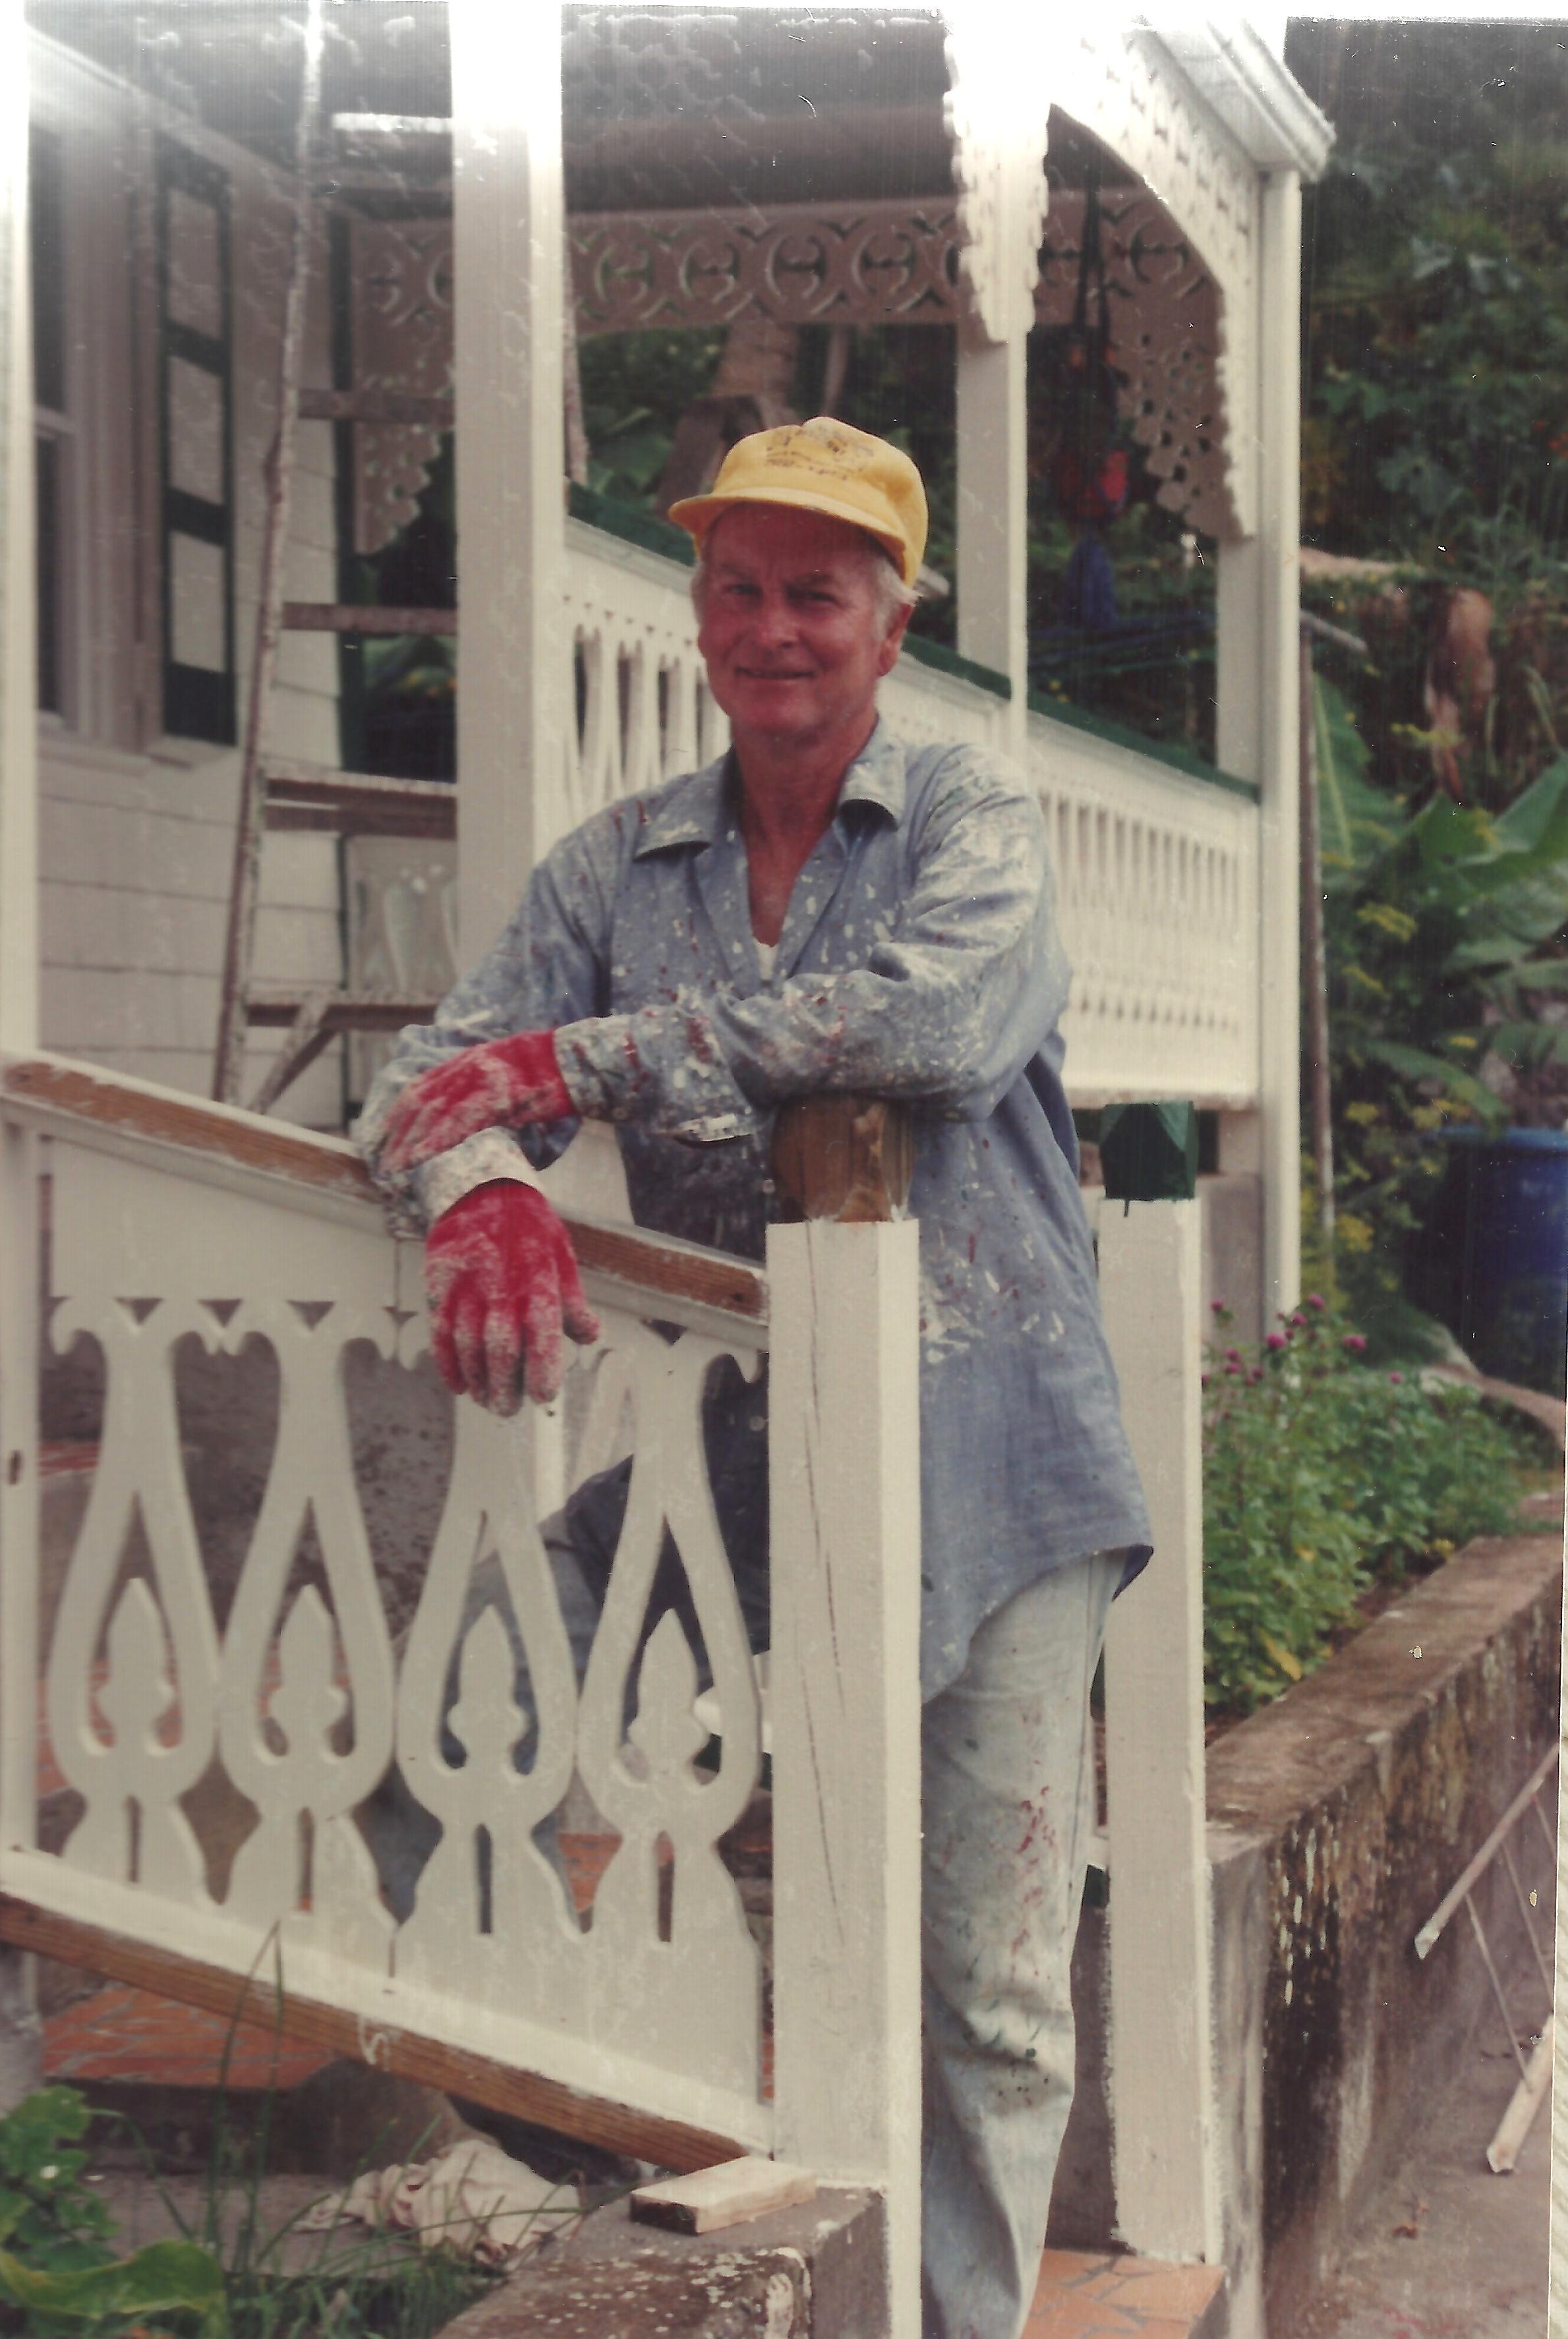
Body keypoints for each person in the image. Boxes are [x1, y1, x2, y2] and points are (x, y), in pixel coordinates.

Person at [356, 417, 1151, 2339]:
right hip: (741, 1451)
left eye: (817, 593)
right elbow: (424, 1083)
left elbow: (937, 1029)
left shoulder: (967, 816)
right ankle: (655, 2150)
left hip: (994, 1454)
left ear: (892, 628)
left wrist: (583, 1067)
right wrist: (483, 1188)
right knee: (434, 1754)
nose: (772, 627)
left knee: (989, 1993)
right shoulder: (619, 866)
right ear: (700, 613)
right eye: (738, 587)